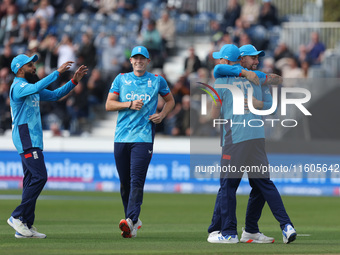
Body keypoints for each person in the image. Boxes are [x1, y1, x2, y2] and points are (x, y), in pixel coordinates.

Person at [206, 44, 297, 244]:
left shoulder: (222, 79)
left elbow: (213, 116)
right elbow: (275, 91)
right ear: (242, 59)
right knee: (261, 184)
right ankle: (265, 228)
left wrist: (216, 101)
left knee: (228, 186)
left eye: (221, 58)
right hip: (257, 137)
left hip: (235, 138)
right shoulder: (257, 80)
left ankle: (228, 232)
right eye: (253, 58)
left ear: (228, 61)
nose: (219, 61)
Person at [7, 54, 87, 239]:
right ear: (20, 68)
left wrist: (74, 81)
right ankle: (17, 216)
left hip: (32, 138)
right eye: (30, 64)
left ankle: (25, 224)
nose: (34, 67)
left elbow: (55, 95)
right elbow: (36, 86)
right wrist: (57, 73)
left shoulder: (29, 88)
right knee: (40, 176)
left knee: (30, 180)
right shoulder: (18, 87)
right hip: (25, 137)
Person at [105, 46, 175, 238]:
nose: (138, 61)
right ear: (131, 61)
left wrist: (162, 115)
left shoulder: (156, 80)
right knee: (124, 183)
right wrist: (128, 104)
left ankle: (130, 220)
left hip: (143, 138)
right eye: (135, 58)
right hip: (121, 137)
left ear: (148, 61)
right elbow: (109, 104)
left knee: (137, 181)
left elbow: (170, 101)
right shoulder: (121, 79)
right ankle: (133, 222)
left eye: (142, 58)